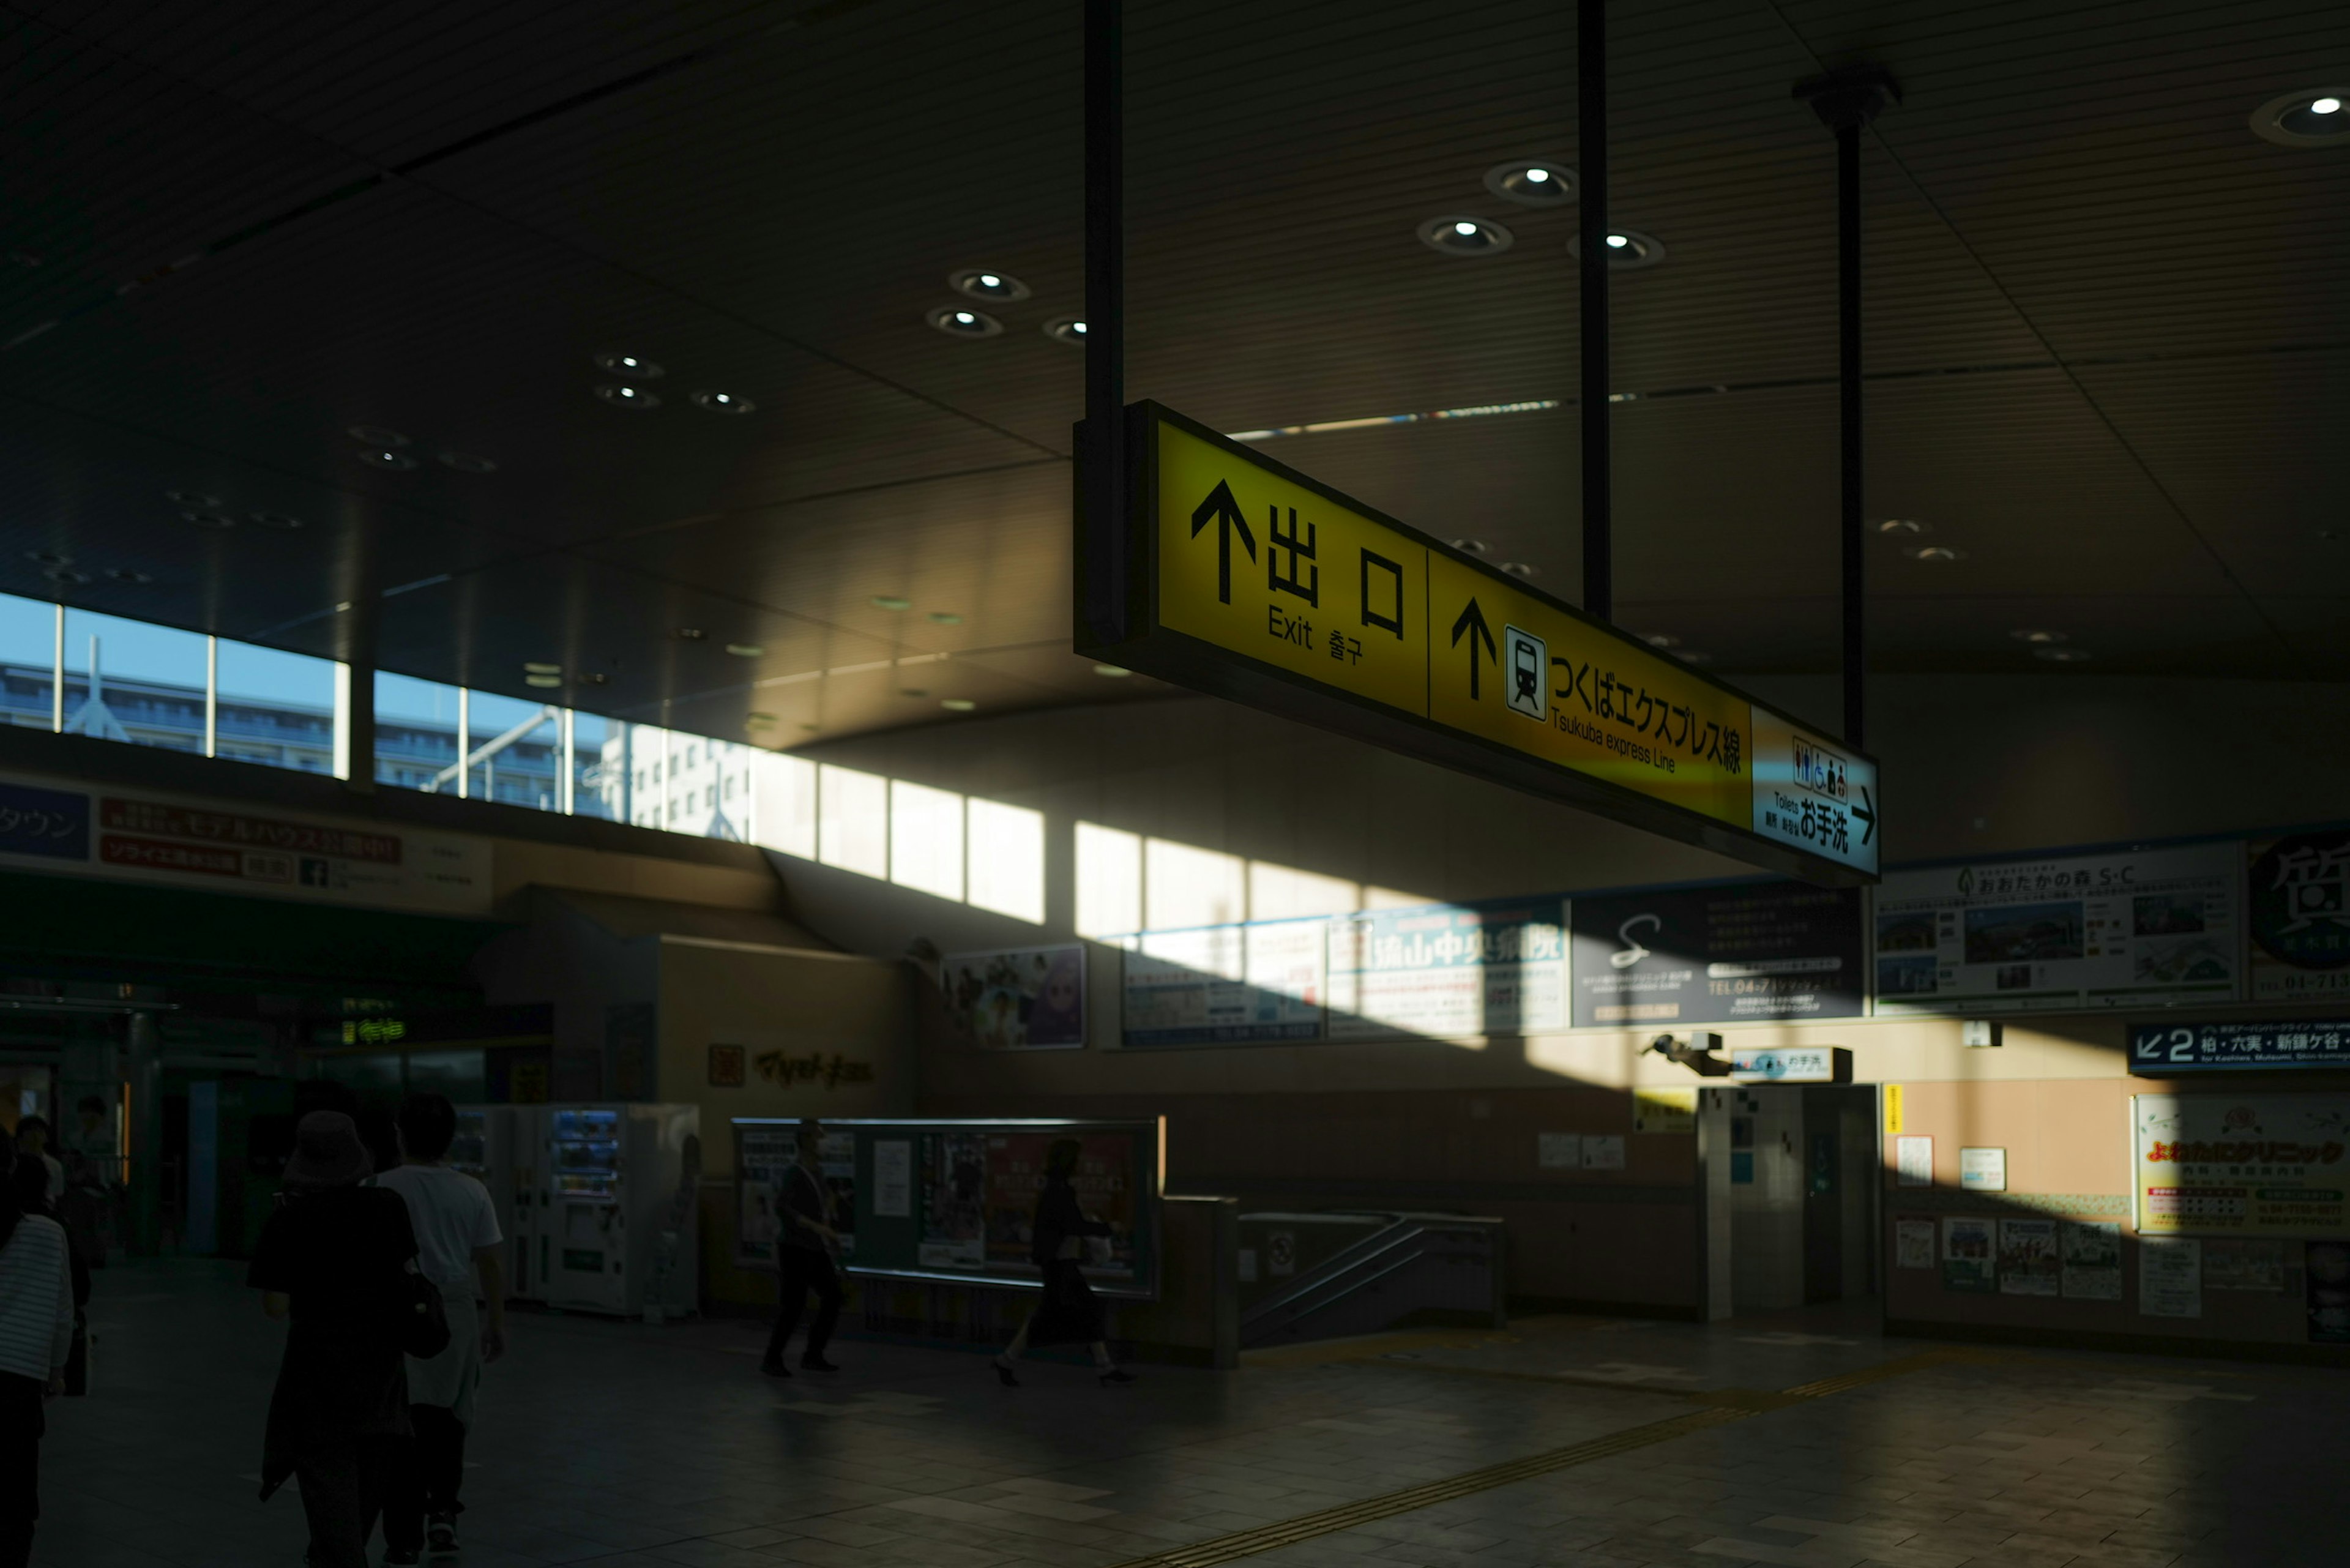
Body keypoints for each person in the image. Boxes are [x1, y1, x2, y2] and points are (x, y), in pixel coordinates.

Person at [247, 1111, 421, 1568]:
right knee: (369, 1480)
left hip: (316, 1373)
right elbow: (407, 1277)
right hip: (382, 1369)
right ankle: (336, 1553)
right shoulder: (388, 1206)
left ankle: (336, 1554)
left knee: (328, 1483)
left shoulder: (289, 1219)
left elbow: (276, 1307)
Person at [376, 1094, 505, 1564]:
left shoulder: (378, 1187)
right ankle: (444, 1514)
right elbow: (489, 1261)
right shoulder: (472, 1191)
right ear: (451, 1139)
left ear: (399, 1134)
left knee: (400, 1418)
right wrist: (496, 1322)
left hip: (393, 1306)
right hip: (453, 1305)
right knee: (449, 1416)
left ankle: (402, 1535)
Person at [990, 1139, 1133, 1388]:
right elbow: (1074, 1225)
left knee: (1076, 1310)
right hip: (1060, 1263)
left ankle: (1103, 1366)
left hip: (1058, 1262)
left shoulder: (1054, 1189)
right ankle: (1103, 1367)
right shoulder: (1061, 1191)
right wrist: (1109, 1228)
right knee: (1071, 1311)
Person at [0, 1155, 72, 1568]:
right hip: (20, 1377)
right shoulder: (47, 1232)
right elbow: (62, 1310)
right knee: (15, 1495)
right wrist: (57, 1370)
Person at [760, 1119, 843, 1378]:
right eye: (820, 1137)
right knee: (794, 1305)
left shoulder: (816, 1172)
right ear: (807, 1141)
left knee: (833, 1297)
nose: (824, 1141)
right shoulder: (795, 1173)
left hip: (814, 1248)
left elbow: (822, 1199)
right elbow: (783, 1208)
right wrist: (819, 1228)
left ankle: (813, 1354)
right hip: (795, 1249)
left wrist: (829, 1205)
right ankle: (772, 1358)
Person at [12, 1118, 62, 1206]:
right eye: (30, 1130)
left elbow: (58, 1195)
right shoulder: (12, 1163)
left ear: (46, 1137)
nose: (35, 1135)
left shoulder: (54, 1165)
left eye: (39, 1131)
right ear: (20, 1137)